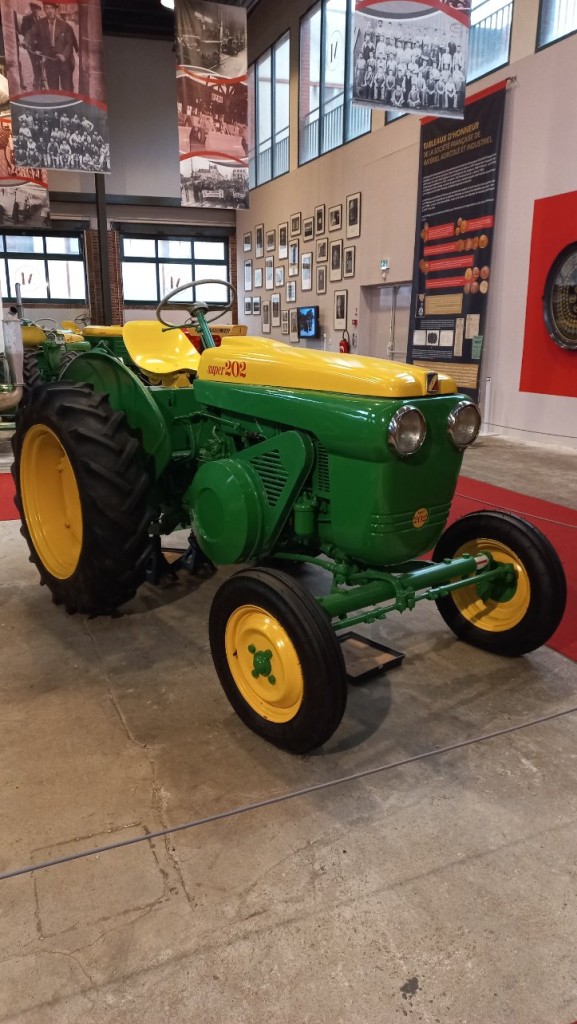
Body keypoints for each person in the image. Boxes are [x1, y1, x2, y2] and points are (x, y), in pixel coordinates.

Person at [25, 3, 78, 93]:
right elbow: (31, 33)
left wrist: (64, 55)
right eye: (47, 8)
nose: (49, 11)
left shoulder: (65, 26)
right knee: (53, 87)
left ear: (56, 10)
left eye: (52, 8)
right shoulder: (40, 24)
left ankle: (68, 105)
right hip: (50, 60)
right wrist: (25, 41)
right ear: (44, 10)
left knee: (67, 87)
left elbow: (70, 43)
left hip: (64, 61)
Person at [20, 2, 43, 89]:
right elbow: (23, 31)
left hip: (40, 47)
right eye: (33, 8)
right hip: (31, 46)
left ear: (39, 10)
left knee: (41, 63)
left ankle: (38, 80)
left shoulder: (41, 19)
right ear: (31, 9)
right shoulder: (26, 19)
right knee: (35, 63)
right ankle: (37, 81)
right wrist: (32, 39)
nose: (35, 10)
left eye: (37, 9)